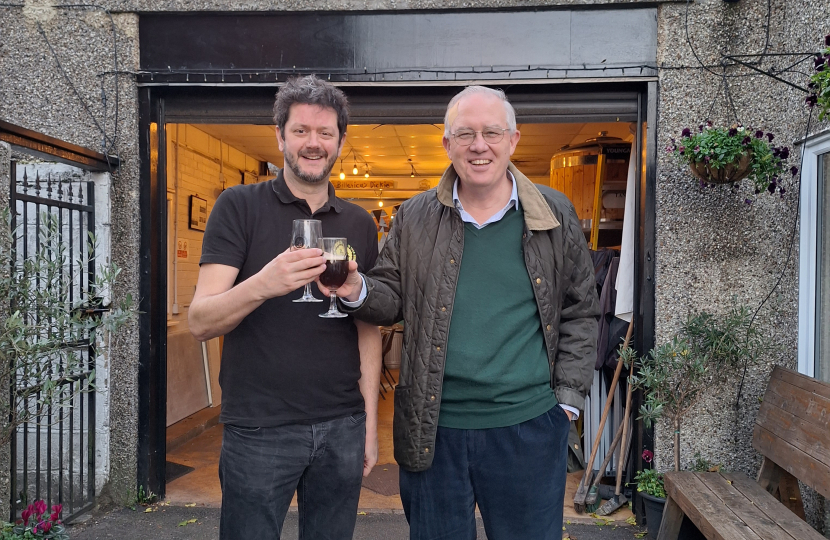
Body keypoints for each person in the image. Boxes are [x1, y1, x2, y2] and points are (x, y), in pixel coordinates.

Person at [331, 85, 600, 540]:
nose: (480, 145)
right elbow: (391, 295)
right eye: (466, 134)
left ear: (513, 140)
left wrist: (567, 403)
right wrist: (356, 287)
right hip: (434, 431)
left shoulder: (554, 213)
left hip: (529, 428)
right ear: (447, 144)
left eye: (492, 132)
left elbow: (580, 310)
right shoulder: (415, 217)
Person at [189, 75, 381, 540]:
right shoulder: (238, 206)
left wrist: (370, 426)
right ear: (279, 136)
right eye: (300, 131)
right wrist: (263, 284)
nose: (313, 144)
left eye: (325, 133)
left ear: (340, 141)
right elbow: (200, 320)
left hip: (342, 425)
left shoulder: (358, 221)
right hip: (258, 428)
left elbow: (368, 329)